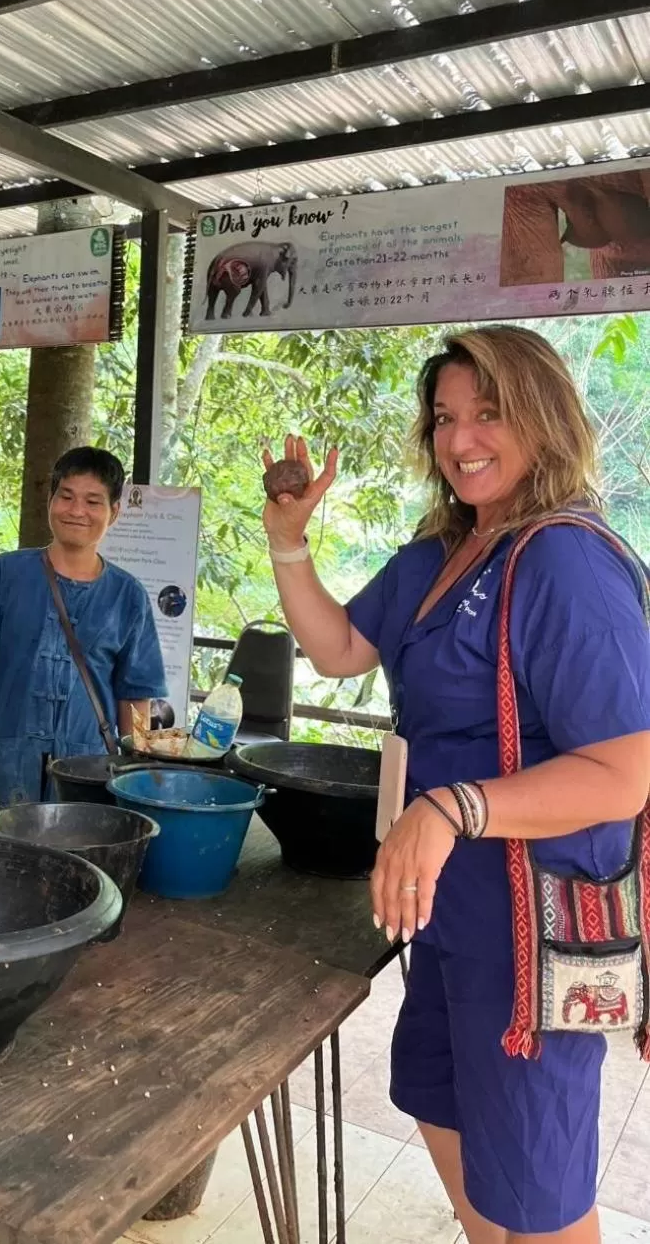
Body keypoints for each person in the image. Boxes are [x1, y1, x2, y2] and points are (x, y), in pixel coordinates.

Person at [263, 325, 650, 1244]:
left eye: (490, 411)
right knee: (439, 1101)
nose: (461, 435)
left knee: (539, 1188)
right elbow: (339, 650)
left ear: (545, 419)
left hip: (533, 926)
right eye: (444, 416)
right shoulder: (441, 552)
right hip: (443, 909)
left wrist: (452, 806)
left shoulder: (565, 559)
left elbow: (626, 771)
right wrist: (287, 543)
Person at [0, 447, 166, 815]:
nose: (77, 511)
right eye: (66, 496)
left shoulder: (128, 596)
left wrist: (135, 782)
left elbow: (135, 699)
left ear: (114, 512)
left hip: (89, 781)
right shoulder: (3, 576)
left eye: (93, 501)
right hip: (6, 773)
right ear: (50, 501)